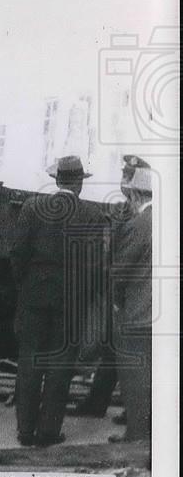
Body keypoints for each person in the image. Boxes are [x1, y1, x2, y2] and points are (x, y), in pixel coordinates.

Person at [9, 155, 105, 446]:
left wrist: (25, 286)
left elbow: (17, 252)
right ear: (78, 183)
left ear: (56, 180)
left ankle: (25, 431)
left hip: (34, 295)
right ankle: (48, 432)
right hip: (70, 300)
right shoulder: (91, 215)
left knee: (29, 362)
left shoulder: (32, 207)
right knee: (60, 366)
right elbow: (95, 265)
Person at [75, 155, 150, 418]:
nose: (123, 182)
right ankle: (99, 403)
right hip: (117, 290)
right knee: (111, 349)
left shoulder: (145, 213)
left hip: (134, 295)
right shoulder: (120, 210)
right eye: (123, 176)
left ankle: (136, 414)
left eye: (128, 177)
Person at [109, 164, 154, 442]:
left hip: (138, 313)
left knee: (134, 374)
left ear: (136, 194)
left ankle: (137, 434)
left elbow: (120, 271)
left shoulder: (138, 225)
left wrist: (115, 302)